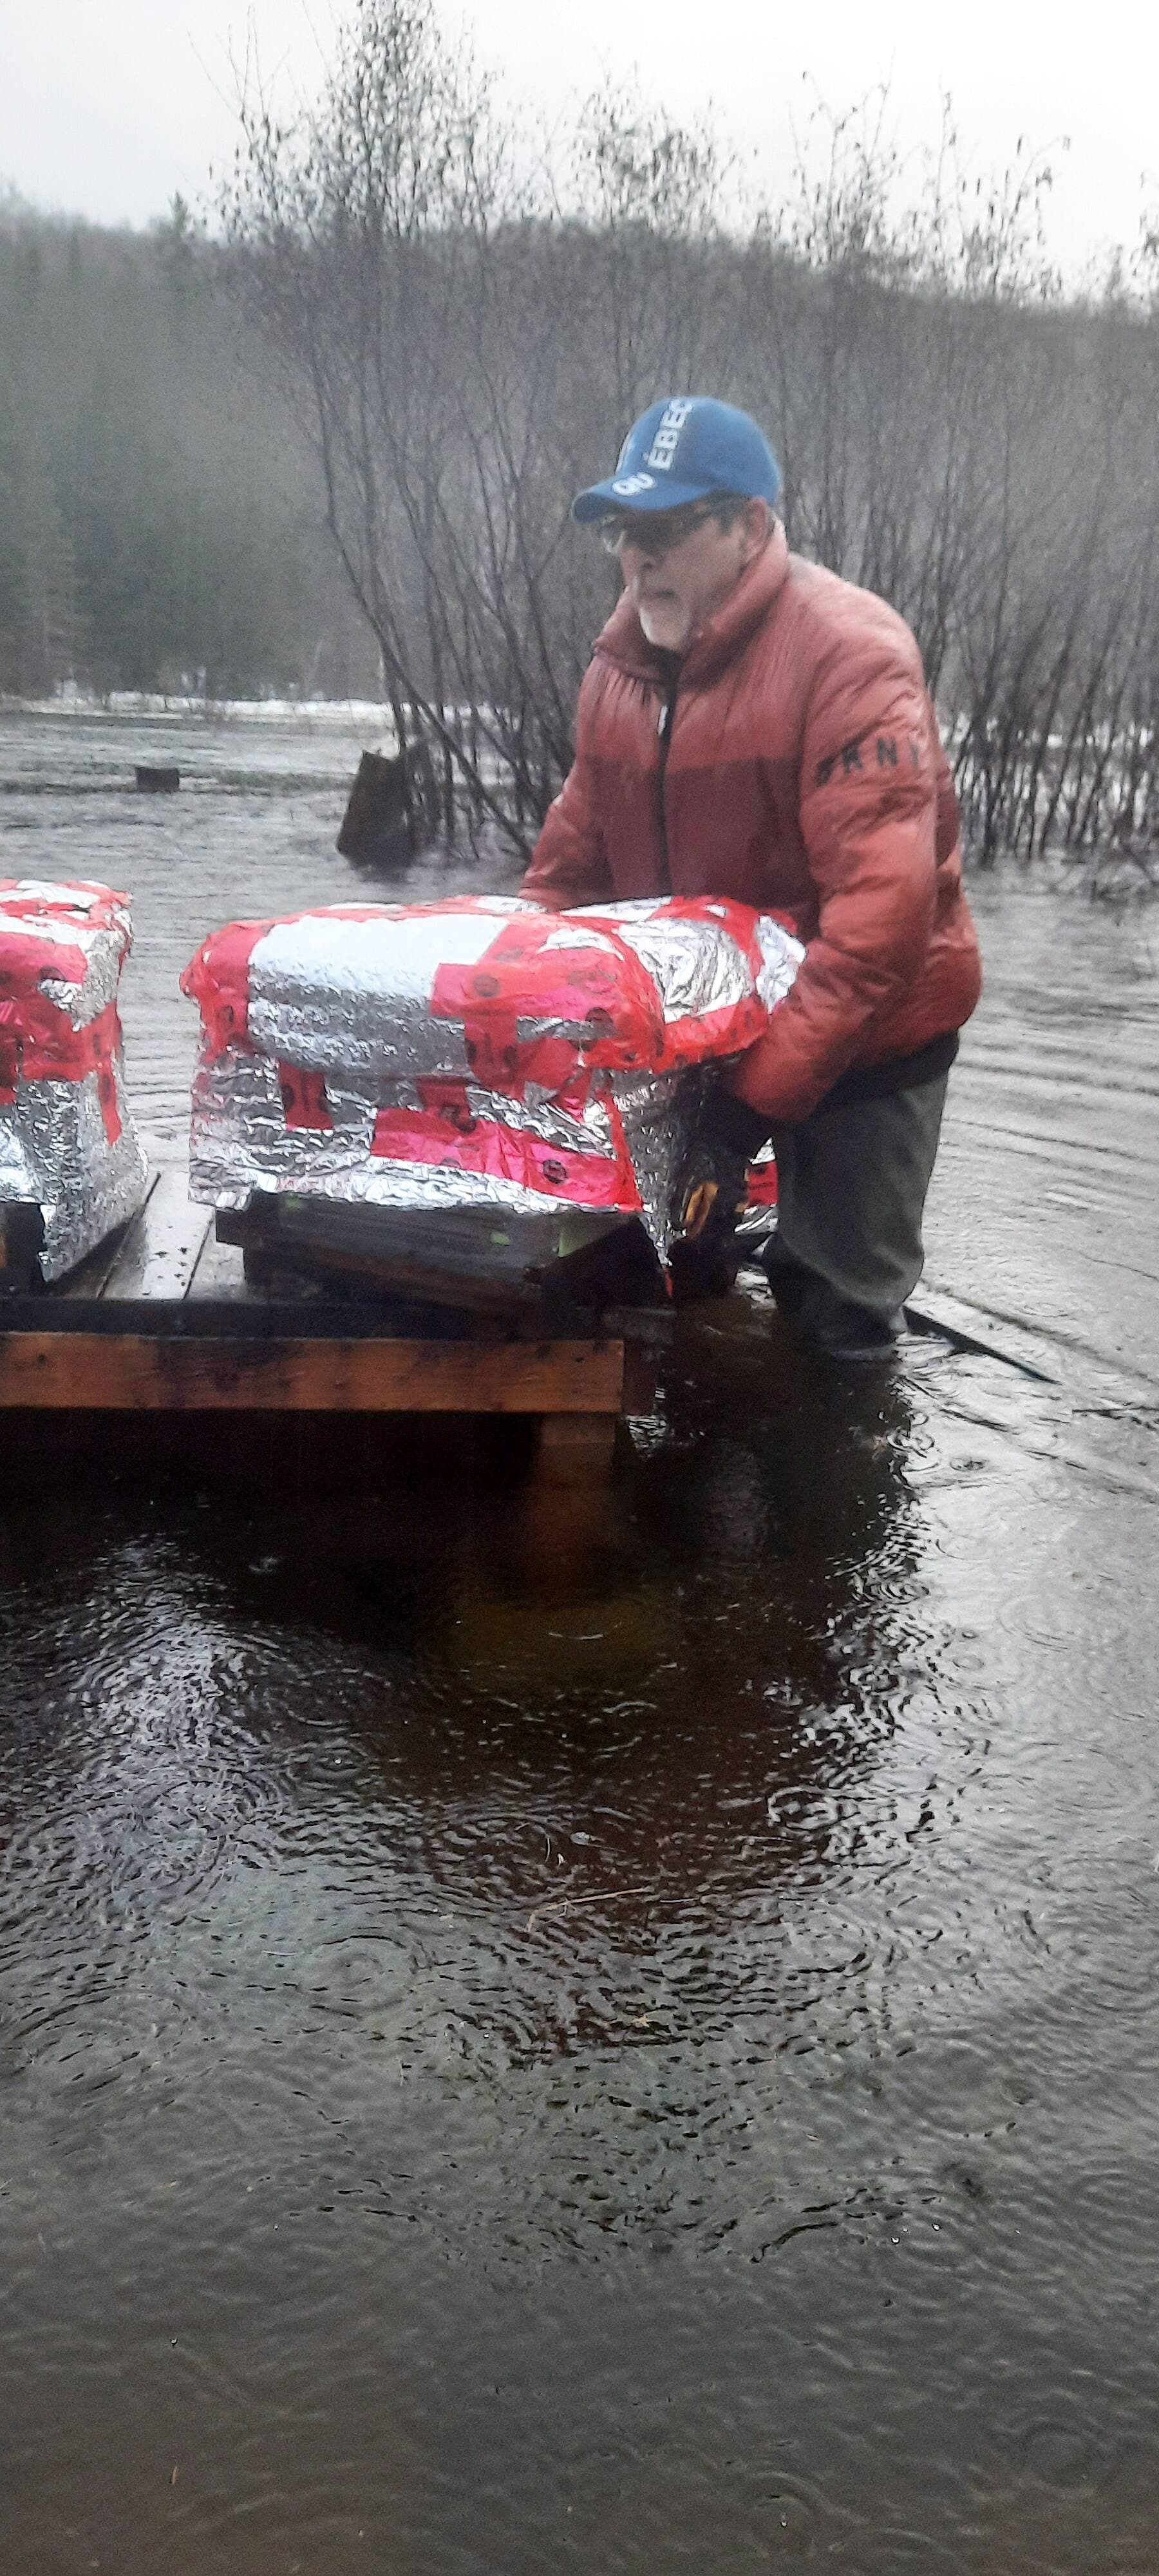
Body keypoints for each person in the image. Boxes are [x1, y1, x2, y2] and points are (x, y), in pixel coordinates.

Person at [520, 395, 982, 1357]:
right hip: (702, 1032)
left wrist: (738, 1123)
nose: (636, 558)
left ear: (750, 527)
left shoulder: (851, 657)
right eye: (621, 532)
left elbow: (879, 932)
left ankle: (841, 1447)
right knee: (658, 1268)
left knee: (837, 1308)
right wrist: (511, 1022)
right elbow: (567, 873)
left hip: (872, 1034)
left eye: (663, 531)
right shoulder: (619, 669)